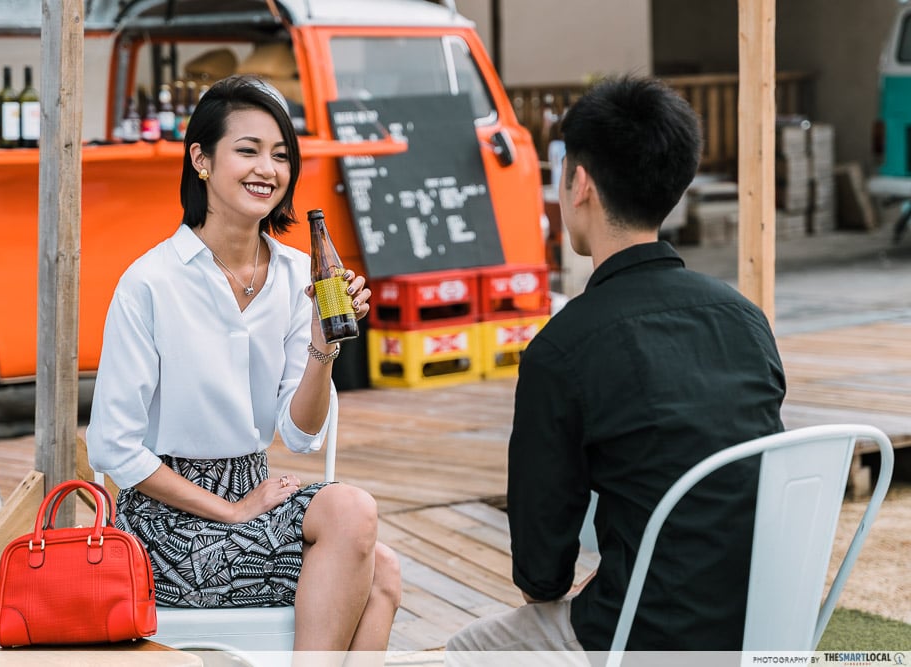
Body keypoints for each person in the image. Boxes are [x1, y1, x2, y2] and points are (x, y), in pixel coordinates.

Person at [446, 76, 786, 658]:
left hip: (646, 635)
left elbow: (540, 575)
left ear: (579, 184)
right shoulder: (745, 319)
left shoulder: (562, 349)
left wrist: (578, 585)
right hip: (767, 620)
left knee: (467, 650)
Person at [86, 75, 401, 657]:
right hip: (165, 523)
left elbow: (301, 435)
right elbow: (112, 447)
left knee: (382, 566)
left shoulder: (297, 274)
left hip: (258, 496)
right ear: (201, 160)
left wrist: (322, 343)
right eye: (249, 150)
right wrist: (230, 509)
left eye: (281, 155)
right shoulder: (151, 281)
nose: (268, 169)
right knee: (364, 540)